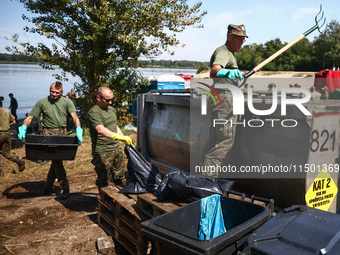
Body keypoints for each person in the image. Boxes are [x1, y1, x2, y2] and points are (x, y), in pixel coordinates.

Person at [17, 81, 83, 199]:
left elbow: (75, 117)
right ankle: (65, 187)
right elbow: (30, 117)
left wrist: (78, 129)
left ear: (61, 92)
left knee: (56, 161)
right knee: (57, 162)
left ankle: (47, 187)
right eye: (52, 91)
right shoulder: (42, 102)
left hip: (62, 133)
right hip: (47, 133)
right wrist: (23, 127)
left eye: (56, 92)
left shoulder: (67, 102)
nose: (53, 94)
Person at [201, 24, 247, 178]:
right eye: (239, 39)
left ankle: (202, 179)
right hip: (225, 100)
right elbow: (214, 71)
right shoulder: (224, 52)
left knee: (215, 139)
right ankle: (208, 180)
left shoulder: (228, 53)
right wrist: (230, 72)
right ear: (229, 37)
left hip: (221, 98)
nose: (241, 43)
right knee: (225, 140)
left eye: (243, 40)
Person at [87, 86, 133, 191]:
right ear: (98, 98)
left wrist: (123, 138)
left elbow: (114, 127)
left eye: (112, 99)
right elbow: (100, 129)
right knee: (103, 180)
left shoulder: (111, 110)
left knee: (120, 176)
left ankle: (122, 198)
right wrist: (116, 136)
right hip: (102, 150)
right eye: (107, 100)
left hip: (116, 148)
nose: (110, 102)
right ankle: (103, 201)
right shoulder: (94, 112)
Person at [0, 100, 25, 176]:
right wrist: (7, 125)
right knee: (6, 152)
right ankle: (18, 160)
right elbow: (14, 122)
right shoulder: (6, 111)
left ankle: (0, 171)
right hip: (7, 133)